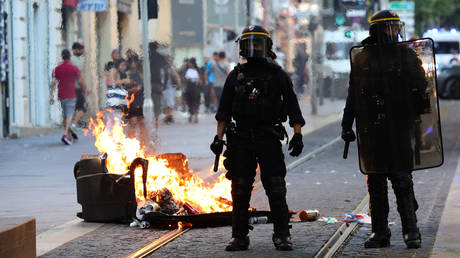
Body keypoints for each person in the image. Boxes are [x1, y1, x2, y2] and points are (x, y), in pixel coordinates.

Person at [210, 25, 305, 251]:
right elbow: (223, 112)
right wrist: (218, 138)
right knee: (240, 188)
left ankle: (282, 234)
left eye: (257, 45)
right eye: (249, 44)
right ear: (242, 48)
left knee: (276, 186)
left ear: (267, 48)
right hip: (241, 138)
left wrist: (298, 134)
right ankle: (239, 236)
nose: (253, 49)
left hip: (268, 136)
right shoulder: (235, 76)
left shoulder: (278, 75)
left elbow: (293, 107)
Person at [341, 10, 428, 249]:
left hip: (399, 127)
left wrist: (417, 114)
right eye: (387, 28)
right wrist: (346, 125)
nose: (392, 32)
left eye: (394, 27)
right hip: (372, 129)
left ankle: (412, 231)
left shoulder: (407, 56)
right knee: (376, 183)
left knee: (402, 180)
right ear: (376, 31)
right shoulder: (363, 58)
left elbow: (422, 89)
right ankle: (380, 232)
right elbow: (353, 95)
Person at [50, 49, 87, 145]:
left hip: (61, 95)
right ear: (70, 57)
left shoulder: (57, 69)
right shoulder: (74, 68)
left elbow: (53, 82)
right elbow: (80, 81)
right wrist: (84, 90)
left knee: (66, 115)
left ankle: (69, 136)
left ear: (62, 56)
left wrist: (51, 96)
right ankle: (66, 134)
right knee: (70, 114)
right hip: (71, 94)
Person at [125, 58, 148, 147]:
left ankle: (143, 142)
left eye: (135, 63)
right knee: (133, 122)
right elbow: (125, 88)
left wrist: (137, 89)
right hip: (131, 102)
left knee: (142, 122)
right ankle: (131, 143)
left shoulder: (140, 75)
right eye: (132, 63)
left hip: (140, 100)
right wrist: (133, 90)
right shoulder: (127, 75)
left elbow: (141, 87)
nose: (133, 65)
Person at [149, 41, 169, 128]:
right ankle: (156, 120)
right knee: (157, 102)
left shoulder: (146, 57)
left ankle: (148, 120)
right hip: (158, 83)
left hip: (147, 83)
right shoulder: (161, 57)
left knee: (147, 101)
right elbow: (166, 71)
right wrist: (164, 83)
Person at [70, 42, 87, 139]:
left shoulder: (71, 60)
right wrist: (85, 88)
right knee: (82, 109)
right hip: (77, 88)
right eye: (80, 49)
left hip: (70, 88)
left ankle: (72, 127)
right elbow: (79, 77)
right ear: (75, 50)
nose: (82, 51)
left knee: (74, 109)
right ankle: (73, 125)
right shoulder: (76, 61)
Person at [162, 56, 181, 124]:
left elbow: (176, 76)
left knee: (170, 103)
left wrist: (179, 84)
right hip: (162, 88)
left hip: (170, 88)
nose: (169, 62)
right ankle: (169, 116)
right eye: (167, 60)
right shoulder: (161, 68)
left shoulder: (171, 68)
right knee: (165, 104)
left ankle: (169, 117)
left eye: (170, 61)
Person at [184, 58, 201, 123]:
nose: (189, 64)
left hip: (196, 87)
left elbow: (200, 79)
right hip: (189, 87)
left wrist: (197, 80)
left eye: (190, 63)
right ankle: (191, 115)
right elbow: (185, 78)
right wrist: (189, 79)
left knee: (196, 102)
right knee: (190, 102)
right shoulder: (187, 70)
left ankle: (196, 116)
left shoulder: (198, 70)